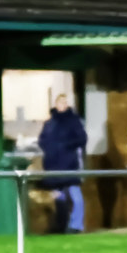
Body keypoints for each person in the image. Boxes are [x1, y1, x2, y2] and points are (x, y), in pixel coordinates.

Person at [37, 94, 87, 234]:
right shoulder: (49, 123)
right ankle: (61, 224)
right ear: (56, 104)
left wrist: (65, 146)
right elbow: (42, 140)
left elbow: (82, 139)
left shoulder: (74, 121)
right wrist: (50, 149)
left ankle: (76, 225)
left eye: (65, 102)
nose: (63, 105)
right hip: (53, 165)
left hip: (70, 164)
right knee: (59, 196)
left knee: (75, 195)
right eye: (61, 102)